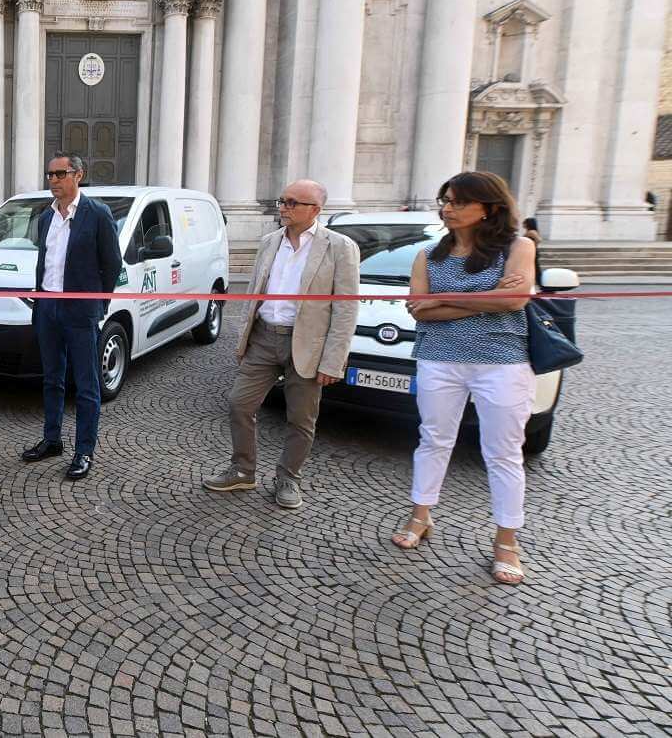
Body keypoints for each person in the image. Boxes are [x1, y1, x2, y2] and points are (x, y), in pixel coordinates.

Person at [392, 171, 537, 585]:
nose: (448, 209)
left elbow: (514, 301)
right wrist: (488, 299)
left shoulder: (518, 247)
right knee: (433, 439)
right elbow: (417, 308)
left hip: (502, 360)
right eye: (446, 201)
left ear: (488, 208)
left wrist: (442, 299)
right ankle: (420, 515)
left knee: (503, 452)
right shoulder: (428, 255)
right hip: (439, 359)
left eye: (458, 202)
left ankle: (506, 540)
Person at [204, 179, 360, 509]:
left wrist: (333, 361)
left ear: (315, 209)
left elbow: (346, 308)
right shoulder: (270, 241)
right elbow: (254, 293)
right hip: (263, 337)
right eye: (283, 201)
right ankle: (243, 470)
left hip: (307, 344)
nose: (284, 208)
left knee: (301, 418)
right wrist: (244, 339)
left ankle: (289, 477)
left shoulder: (339, 247)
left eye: (292, 203)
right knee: (239, 404)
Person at [20, 152, 124, 481]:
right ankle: (52, 440)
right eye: (50, 174)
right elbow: (45, 262)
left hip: (80, 310)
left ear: (78, 175)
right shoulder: (45, 217)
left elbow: (113, 263)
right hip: (47, 307)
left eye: (60, 174)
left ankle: (84, 450)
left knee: (86, 383)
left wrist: (99, 304)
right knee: (52, 377)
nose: (53, 180)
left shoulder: (97, 213)